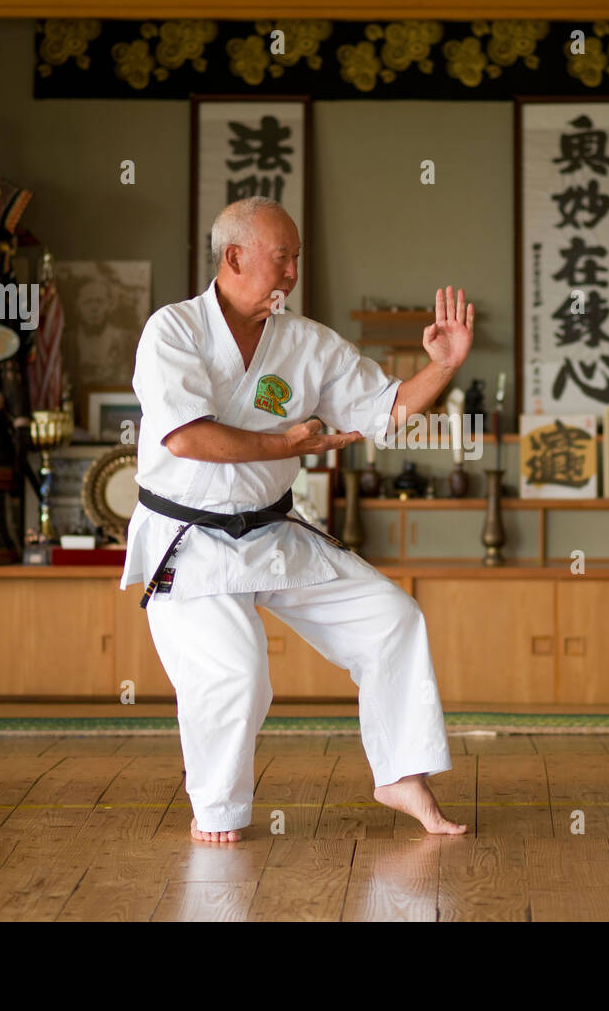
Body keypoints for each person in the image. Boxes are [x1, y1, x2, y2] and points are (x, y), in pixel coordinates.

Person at [121, 196, 473, 842]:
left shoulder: (307, 343)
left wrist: (443, 367)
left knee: (392, 619)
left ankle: (399, 772)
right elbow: (188, 438)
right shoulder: (173, 332)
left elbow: (383, 409)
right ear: (234, 257)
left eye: (295, 261)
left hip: (270, 528)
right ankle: (217, 810)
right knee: (238, 674)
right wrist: (289, 445)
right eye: (281, 259)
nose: (291, 274)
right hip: (188, 542)